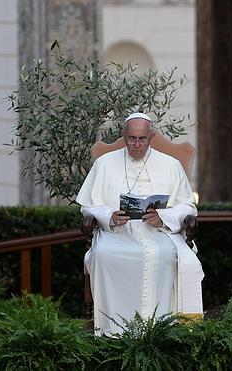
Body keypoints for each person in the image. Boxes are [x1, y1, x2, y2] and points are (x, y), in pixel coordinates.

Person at [76, 112, 204, 336]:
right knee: (104, 254)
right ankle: (111, 329)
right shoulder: (105, 164)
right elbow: (87, 206)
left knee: (166, 255)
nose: (136, 145)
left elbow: (188, 207)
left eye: (142, 139)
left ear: (151, 137)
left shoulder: (171, 165)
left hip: (159, 233)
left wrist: (163, 217)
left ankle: (160, 329)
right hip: (117, 233)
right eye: (131, 139)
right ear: (124, 137)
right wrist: (110, 216)